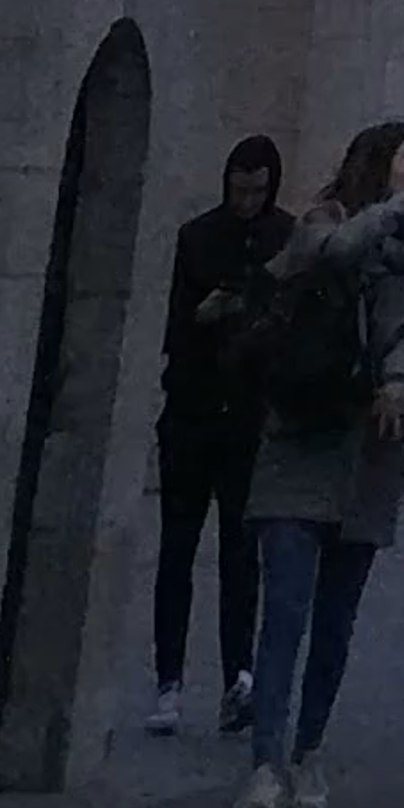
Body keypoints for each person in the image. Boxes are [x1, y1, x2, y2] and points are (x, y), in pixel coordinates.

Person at [234, 122, 404, 808]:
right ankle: (265, 766)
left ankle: (307, 750)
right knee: (286, 613)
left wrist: (399, 377)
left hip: (367, 445)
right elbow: (335, 251)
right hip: (300, 436)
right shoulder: (322, 221)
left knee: (336, 619)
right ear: (379, 165)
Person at [150, 133, 281, 733]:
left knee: (239, 553)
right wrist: (205, 315)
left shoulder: (284, 236)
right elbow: (172, 325)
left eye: (258, 191)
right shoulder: (197, 236)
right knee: (177, 548)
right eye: (239, 190)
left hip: (248, 416)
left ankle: (240, 676)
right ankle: (168, 680)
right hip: (194, 409)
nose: (247, 201)